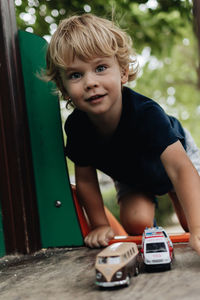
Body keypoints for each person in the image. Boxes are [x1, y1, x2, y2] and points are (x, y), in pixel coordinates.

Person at [45, 13, 200, 254]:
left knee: (192, 222)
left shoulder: (146, 114)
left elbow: (180, 169)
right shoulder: (78, 127)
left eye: (100, 68)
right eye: (76, 75)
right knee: (136, 222)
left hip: (177, 161)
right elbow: (86, 180)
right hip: (133, 174)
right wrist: (100, 224)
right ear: (64, 88)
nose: (90, 82)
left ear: (123, 72)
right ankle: (155, 243)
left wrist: (198, 228)